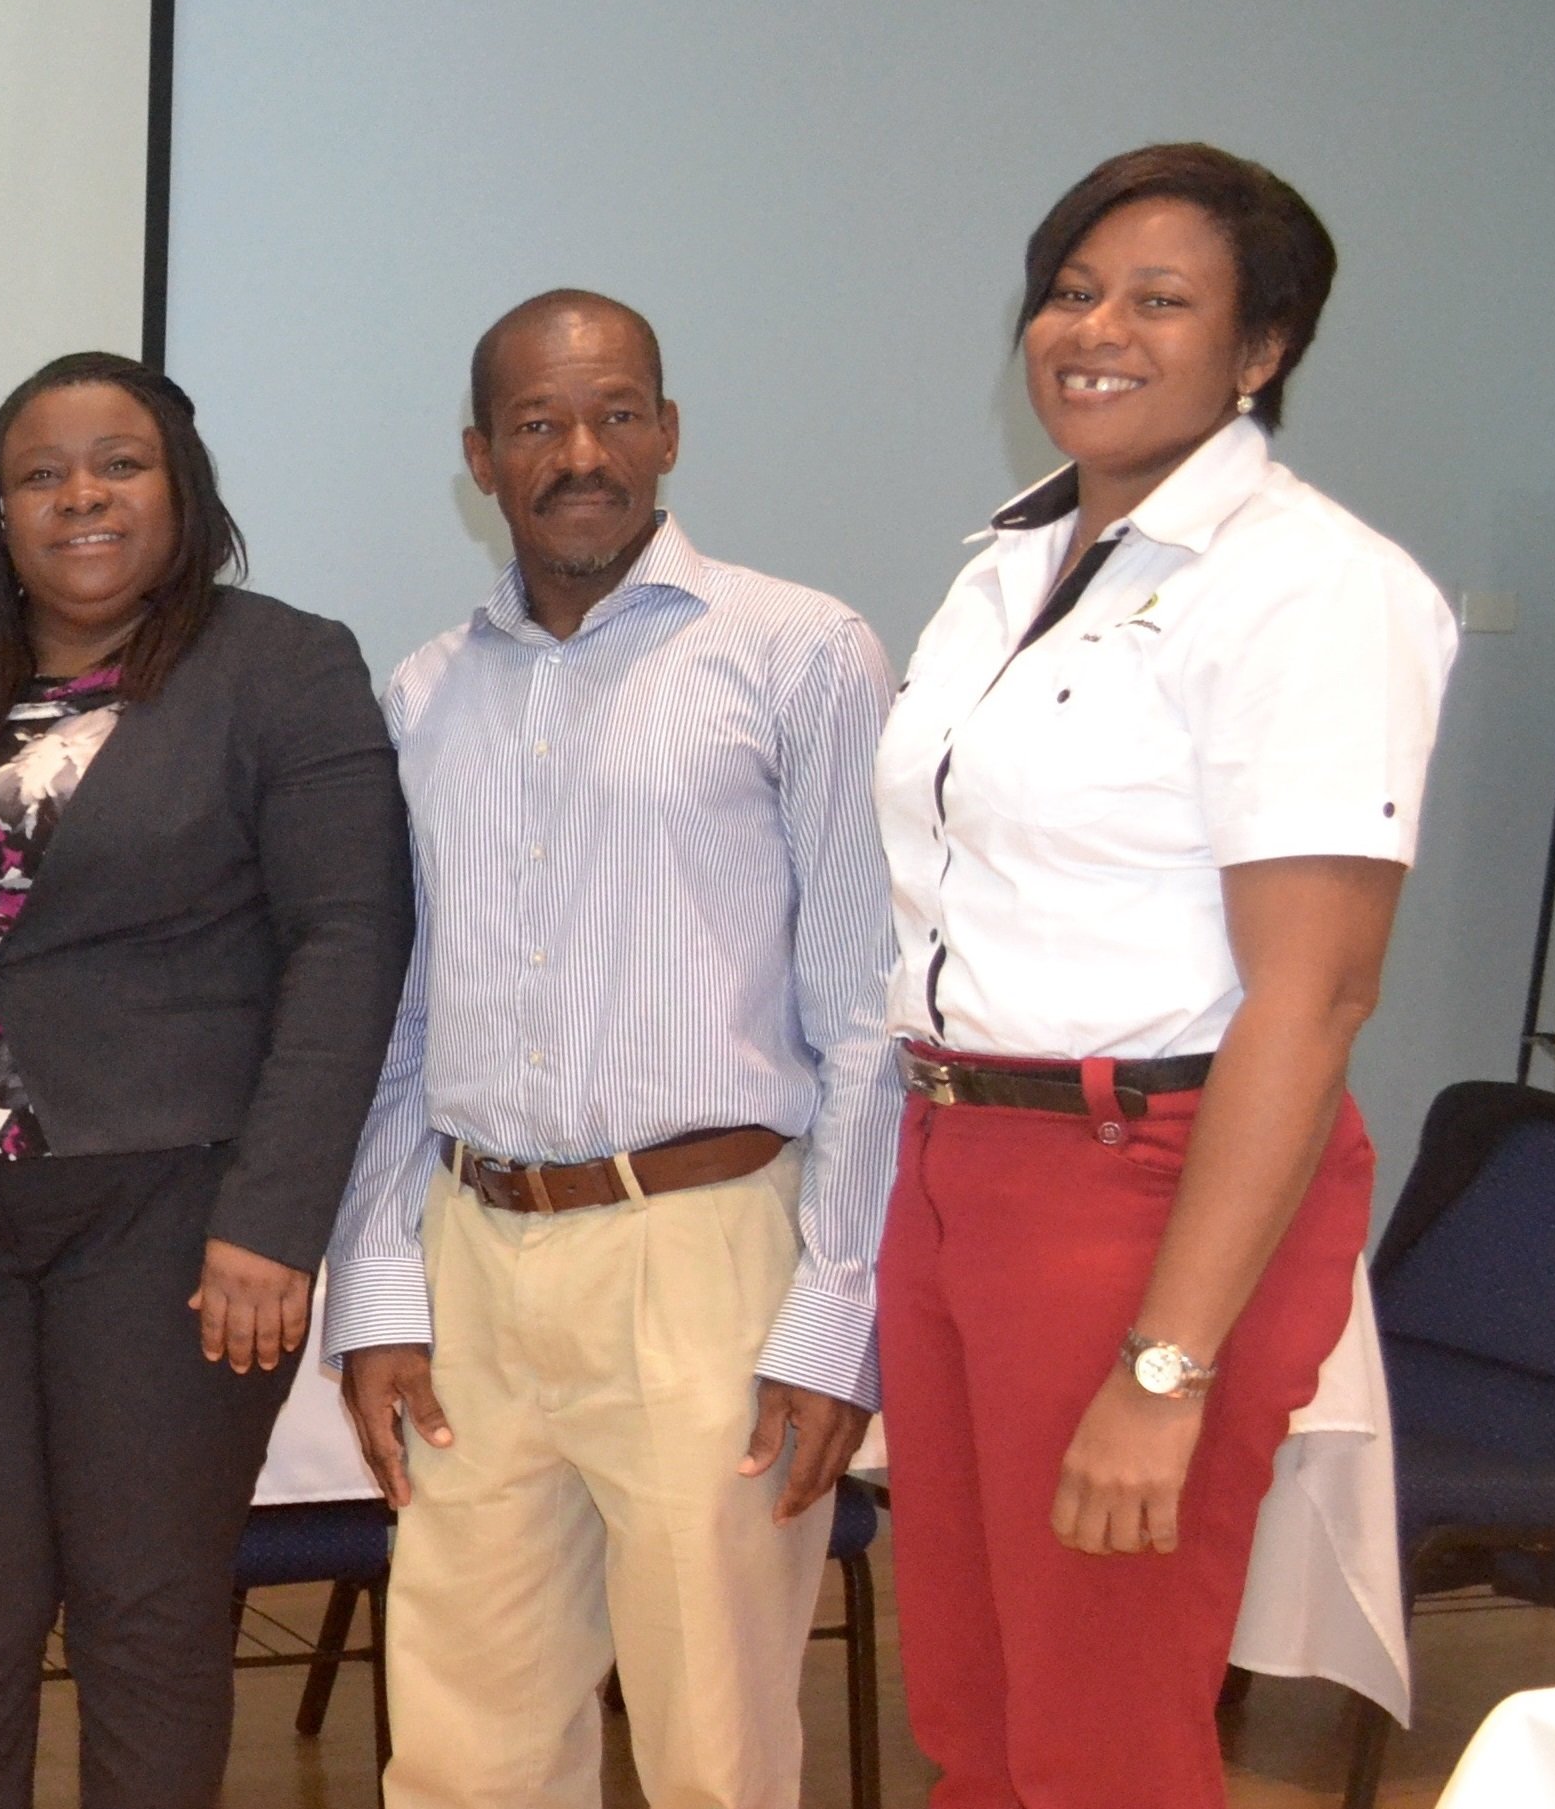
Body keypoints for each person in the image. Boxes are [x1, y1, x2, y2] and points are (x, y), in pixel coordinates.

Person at [876, 144, 1453, 1809]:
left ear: (1260, 349)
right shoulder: (1011, 565)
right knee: (976, 1707)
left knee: (1102, 1728)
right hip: (958, 1163)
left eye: (1158, 300)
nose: (1093, 328)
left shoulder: (1309, 588)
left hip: (1145, 1185)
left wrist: (1163, 1365)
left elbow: (1315, 999)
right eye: (1070, 290)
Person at [320, 290, 899, 1809]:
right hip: (475, 1260)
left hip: (704, 1258)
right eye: (537, 423)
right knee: (461, 1748)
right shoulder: (426, 691)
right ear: (480, 457)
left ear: (668, 431)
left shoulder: (801, 652)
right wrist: (380, 1289)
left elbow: (864, 1013)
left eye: (616, 412)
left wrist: (835, 1314)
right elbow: (398, 1023)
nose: (582, 451)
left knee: (714, 1747)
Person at [0, 352, 411, 1808]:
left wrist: (276, 1218)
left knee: (146, 1612)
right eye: (40, 472)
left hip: (176, 1215)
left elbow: (349, 942)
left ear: (182, 488)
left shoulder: (284, 664)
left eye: (118, 462)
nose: (80, 495)